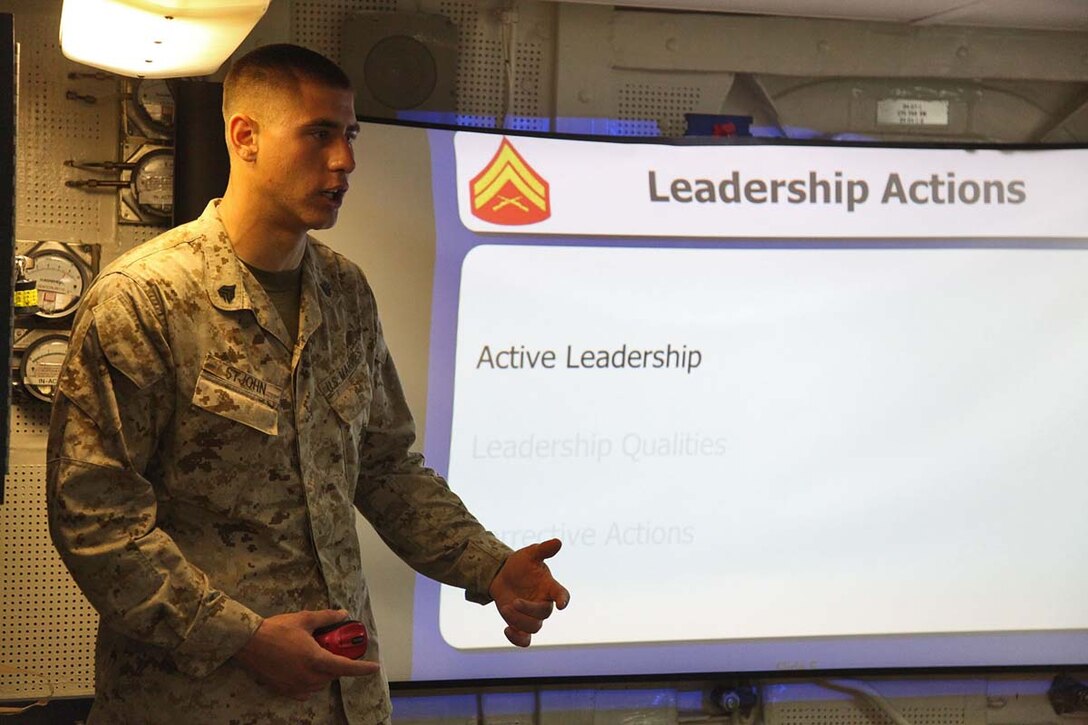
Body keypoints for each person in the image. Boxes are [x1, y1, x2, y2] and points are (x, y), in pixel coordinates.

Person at [46, 43, 569, 724]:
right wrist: (244, 637)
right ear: (246, 138)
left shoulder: (345, 291)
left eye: (350, 135)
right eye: (319, 133)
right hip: (196, 701)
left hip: (344, 699)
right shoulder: (145, 300)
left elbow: (384, 469)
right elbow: (96, 520)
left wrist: (490, 566)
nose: (345, 159)